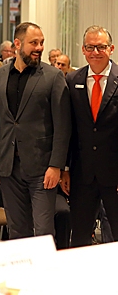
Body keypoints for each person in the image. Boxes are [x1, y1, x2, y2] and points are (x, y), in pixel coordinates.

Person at [0, 22, 71, 240]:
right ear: (17, 44)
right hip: (9, 167)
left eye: (42, 42)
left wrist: (56, 165)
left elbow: (63, 126)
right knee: (17, 230)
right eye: (33, 43)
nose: (39, 47)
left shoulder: (53, 77)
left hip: (42, 168)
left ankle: (45, 274)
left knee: (44, 230)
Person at [64, 25, 118, 247]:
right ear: (83, 50)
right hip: (82, 175)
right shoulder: (72, 80)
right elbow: (67, 129)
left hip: (114, 174)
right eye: (90, 47)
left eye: (101, 47)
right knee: (79, 238)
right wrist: (65, 169)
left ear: (111, 49)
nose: (96, 52)